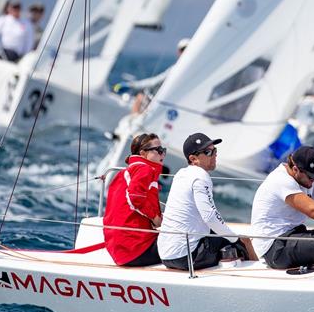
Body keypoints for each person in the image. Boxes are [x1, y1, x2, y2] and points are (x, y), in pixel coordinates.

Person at [158, 133, 257, 270]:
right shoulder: (200, 176)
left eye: (214, 150)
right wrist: (237, 239)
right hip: (187, 257)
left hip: (166, 255)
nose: (214, 155)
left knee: (222, 235)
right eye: (208, 152)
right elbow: (209, 216)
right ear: (193, 159)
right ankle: (256, 272)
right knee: (242, 242)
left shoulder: (181, 174)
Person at [103, 133, 165, 267]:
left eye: (163, 151)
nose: (163, 155)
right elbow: (135, 198)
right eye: (159, 151)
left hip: (120, 250)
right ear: (143, 153)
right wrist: (155, 218)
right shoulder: (145, 169)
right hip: (136, 250)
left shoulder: (126, 172)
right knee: (192, 242)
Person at [124, 37, 190, 114]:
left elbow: (154, 82)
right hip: (174, 103)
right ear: (178, 51)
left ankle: (134, 121)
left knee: (140, 97)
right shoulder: (181, 68)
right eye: (183, 49)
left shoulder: (176, 68)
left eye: (187, 49)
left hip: (169, 104)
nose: (184, 52)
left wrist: (131, 85)